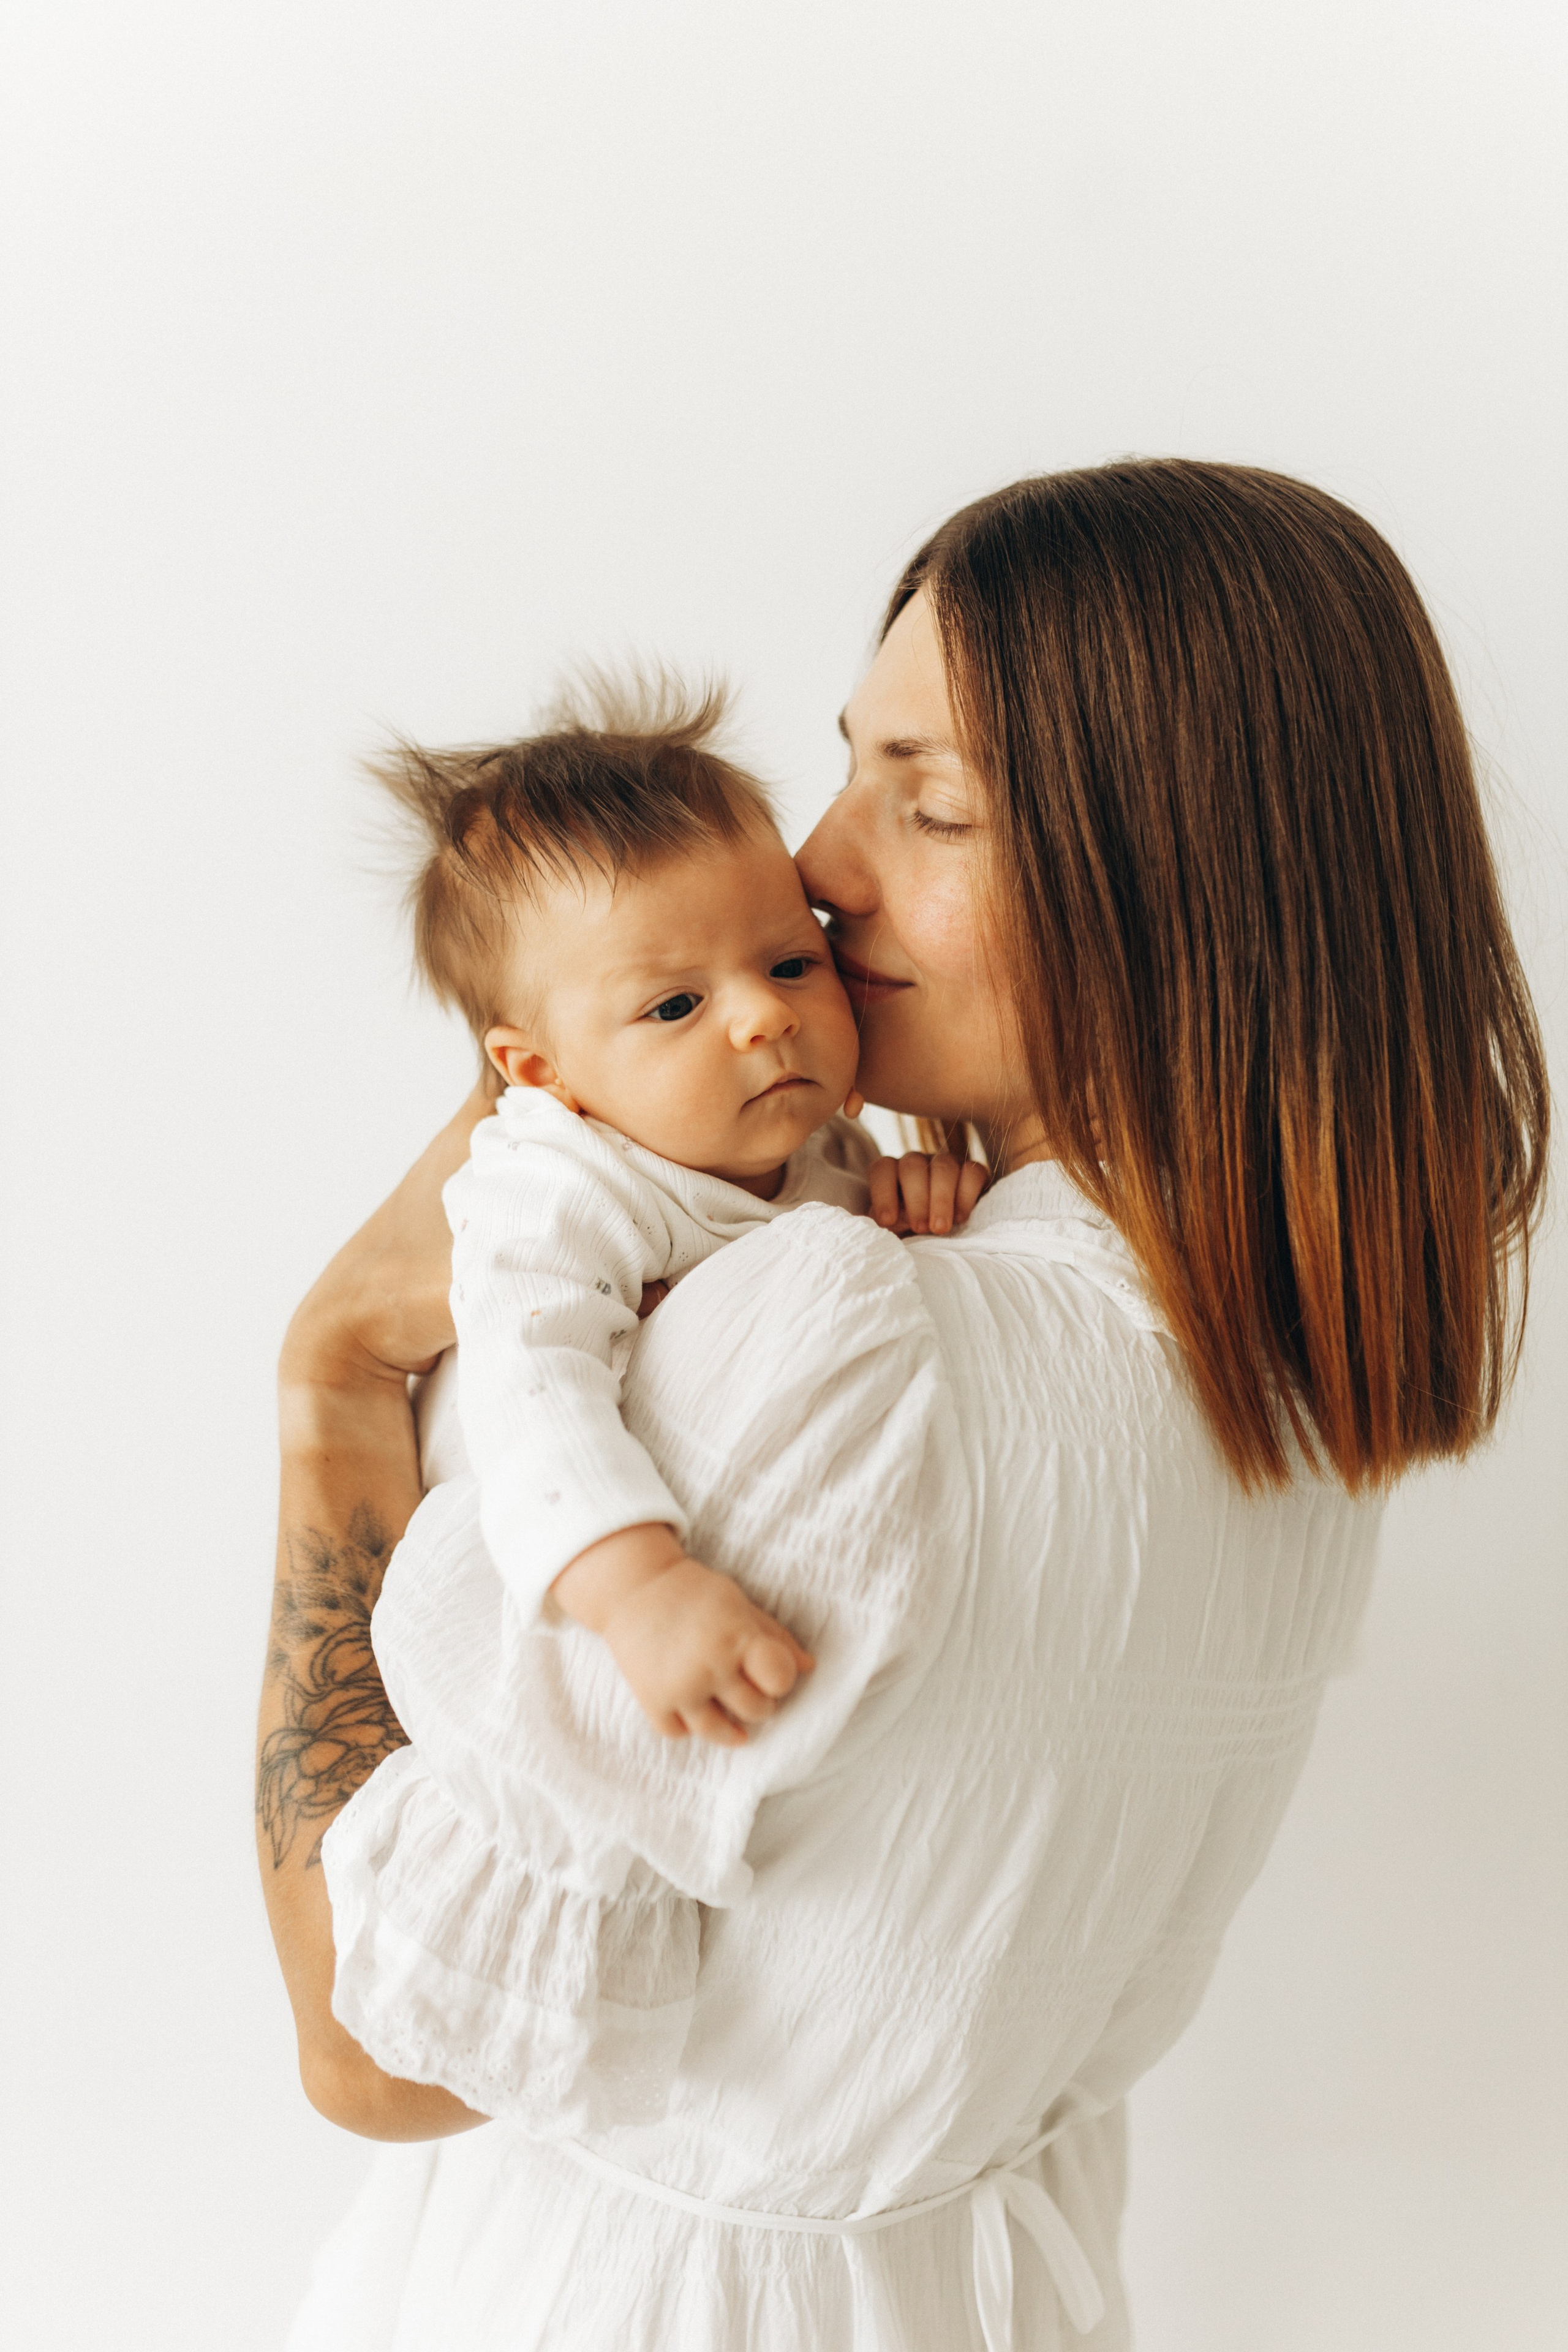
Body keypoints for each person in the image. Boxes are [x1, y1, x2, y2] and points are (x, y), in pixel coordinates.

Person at [258, 460, 1548, 2351]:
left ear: (1179, 890)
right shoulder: (1288, 1404)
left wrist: (335, 1386)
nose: (820, 867)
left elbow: (381, 2053)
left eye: (926, 802)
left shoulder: (843, 1350)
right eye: (851, 768)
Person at [365, 692, 984, 1751]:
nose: (766, 1014)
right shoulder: (556, 1189)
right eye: (675, 1006)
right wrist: (637, 1586)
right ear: (540, 1071)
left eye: (792, 963)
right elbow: (532, 1393)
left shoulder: (821, 1152)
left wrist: (914, 1201)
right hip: (538, 1583)